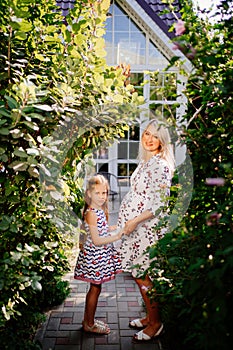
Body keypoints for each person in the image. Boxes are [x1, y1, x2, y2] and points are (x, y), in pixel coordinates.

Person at [117, 118, 175, 342]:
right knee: (140, 274)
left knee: (143, 276)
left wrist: (133, 222)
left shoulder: (160, 165)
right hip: (136, 230)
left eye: (155, 136)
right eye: (147, 134)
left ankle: (156, 323)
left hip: (144, 230)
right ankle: (149, 318)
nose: (150, 139)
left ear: (162, 141)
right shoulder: (147, 161)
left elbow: (159, 203)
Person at [74, 174, 124, 335]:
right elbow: (96, 240)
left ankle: (88, 320)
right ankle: (89, 324)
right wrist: (117, 235)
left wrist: (116, 227)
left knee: (96, 288)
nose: (102, 197)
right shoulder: (91, 213)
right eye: (98, 193)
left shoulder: (98, 210)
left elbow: (101, 229)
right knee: (95, 289)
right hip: (94, 257)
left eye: (105, 193)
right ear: (89, 194)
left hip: (98, 257)